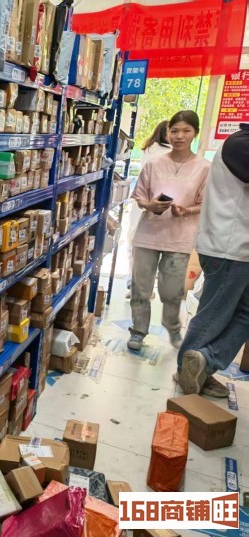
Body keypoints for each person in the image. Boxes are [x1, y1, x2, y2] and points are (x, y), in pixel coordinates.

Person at [175, 124, 249, 397]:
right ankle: (188, 370)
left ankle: (203, 363)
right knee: (214, 315)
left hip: (236, 247)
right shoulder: (241, 144)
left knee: (243, 314)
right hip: (229, 247)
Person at [127, 111, 210, 352]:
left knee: (171, 291)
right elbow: (139, 196)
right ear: (167, 133)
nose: (179, 136)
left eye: (186, 131)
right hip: (148, 235)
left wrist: (187, 210)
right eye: (174, 131)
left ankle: (173, 328)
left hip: (180, 238)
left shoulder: (204, 168)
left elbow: (206, 202)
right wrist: (150, 205)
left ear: (195, 133)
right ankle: (138, 331)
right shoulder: (154, 164)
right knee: (140, 288)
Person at [126, 121, 172, 299]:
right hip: (158, 204)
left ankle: (135, 285)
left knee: (136, 246)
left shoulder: (148, 149)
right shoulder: (167, 153)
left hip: (143, 203)